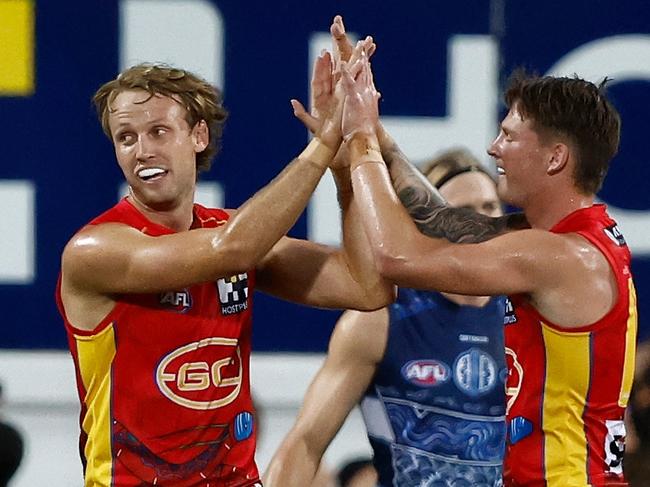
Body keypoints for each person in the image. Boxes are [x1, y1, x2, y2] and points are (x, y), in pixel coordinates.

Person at [56, 59, 392, 487]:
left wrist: (345, 165)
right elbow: (233, 249)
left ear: (198, 136)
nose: (142, 151)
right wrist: (324, 142)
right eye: (126, 138)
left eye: (158, 131)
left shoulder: (230, 232)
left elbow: (366, 287)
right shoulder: (94, 250)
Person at [339, 24, 637, 487]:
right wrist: (378, 133)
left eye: (509, 136)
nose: (493, 148)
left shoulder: (558, 255)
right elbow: (449, 225)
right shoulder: (566, 237)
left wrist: (357, 143)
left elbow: (396, 257)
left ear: (555, 158)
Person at [263, 149, 507, 487]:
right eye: (461, 212)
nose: (479, 223)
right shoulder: (380, 320)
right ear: (427, 223)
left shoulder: (527, 313)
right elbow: (305, 443)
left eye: (489, 207)